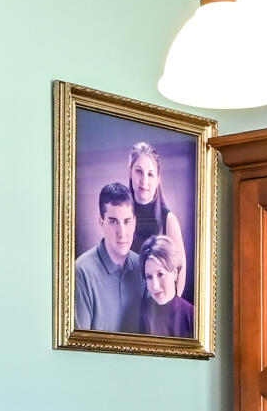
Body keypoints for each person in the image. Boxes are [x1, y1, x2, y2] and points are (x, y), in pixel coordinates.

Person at [73, 181, 145, 331]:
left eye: (127, 222)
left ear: (134, 223)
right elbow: (78, 347)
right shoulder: (81, 272)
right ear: (101, 221)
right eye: (113, 222)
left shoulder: (143, 267)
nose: (122, 233)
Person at [123, 141, 188, 285]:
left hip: (158, 304)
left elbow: (180, 271)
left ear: (158, 179)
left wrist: (169, 306)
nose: (144, 180)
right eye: (139, 171)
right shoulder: (120, 217)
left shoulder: (169, 220)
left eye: (150, 174)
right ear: (130, 173)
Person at [135, 233, 193, 339]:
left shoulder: (192, 316)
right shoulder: (141, 312)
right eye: (149, 277)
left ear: (175, 273)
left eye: (160, 274)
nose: (155, 286)